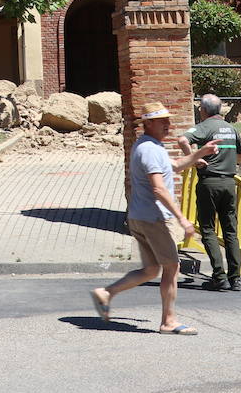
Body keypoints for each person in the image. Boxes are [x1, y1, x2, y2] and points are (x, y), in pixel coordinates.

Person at [89, 103, 219, 336]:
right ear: (148, 123)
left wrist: (200, 153)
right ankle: (168, 321)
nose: (168, 124)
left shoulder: (151, 146)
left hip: (140, 216)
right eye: (162, 121)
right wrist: (182, 219)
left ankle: (106, 293)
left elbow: (175, 166)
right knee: (172, 266)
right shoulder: (149, 149)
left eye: (168, 120)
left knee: (151, 270)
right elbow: (158, 188)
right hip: (153, 218)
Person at [177, 93, 241, 291]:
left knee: (208, 229)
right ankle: (235, 278)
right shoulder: (231, 129)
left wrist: (193, 158)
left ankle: (219, 276)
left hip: (209, 182)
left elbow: (182, 140)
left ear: (203, 110)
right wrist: (228, 162)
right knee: (230, 231)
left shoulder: (204, 127)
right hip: (229, 184)